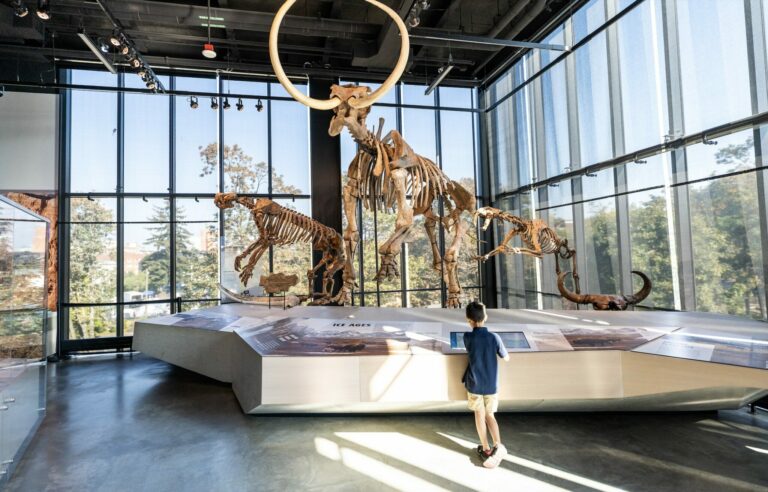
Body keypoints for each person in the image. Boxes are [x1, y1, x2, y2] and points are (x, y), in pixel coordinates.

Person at [462, 300, 509, 468]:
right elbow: (506, 357)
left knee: (479, 415)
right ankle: (498, 444)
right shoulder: (494, 337)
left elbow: (471, 349)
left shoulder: (467, 337)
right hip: (491, 386)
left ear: (468, 320)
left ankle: (486, 448)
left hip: (475, 385)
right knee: (491, 416)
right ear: (486, 317)